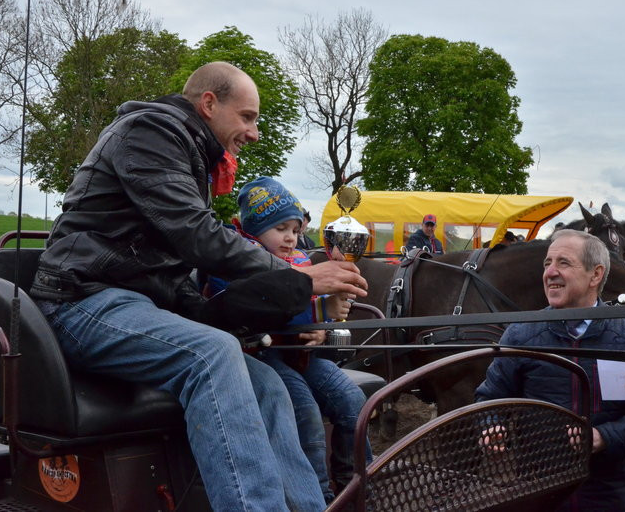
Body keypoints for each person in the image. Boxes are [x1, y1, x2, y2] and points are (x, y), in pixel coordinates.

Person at [29, 61, 368, 511]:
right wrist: (298, 276)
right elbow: (195, 233)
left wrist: (273, 306)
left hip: (142, 306)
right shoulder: (149, 132)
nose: (254, 133)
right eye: (247, 117)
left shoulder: (189, 153)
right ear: (209, 104)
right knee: (213, 354)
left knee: (266, 383)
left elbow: (173, 272)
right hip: (81, 301)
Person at [475, 229, 625, 511]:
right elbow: (489, 400)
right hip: (541, 495)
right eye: (547, 264)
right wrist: (490, 425)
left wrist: (604, 437)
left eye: (563, 263)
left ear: (595, 275)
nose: (550, 272)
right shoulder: (520, 335)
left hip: (611, 499)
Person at [214, 176, 371, 503]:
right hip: (261, 357)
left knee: (354, 401)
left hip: (301, 355)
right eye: (281, 228)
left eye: (296, 230)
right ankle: (321, 498)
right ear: (255, 228)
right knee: (306, 414)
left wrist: (324, 322)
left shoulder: (299, 260)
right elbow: (254, 307)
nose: (290, 238)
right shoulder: (233, 262)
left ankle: (357, 485)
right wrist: (316, 314)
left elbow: (315, 312)